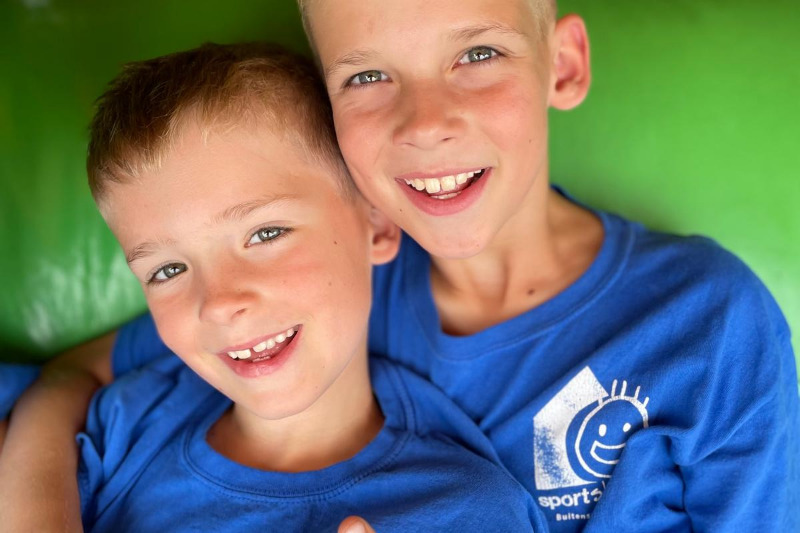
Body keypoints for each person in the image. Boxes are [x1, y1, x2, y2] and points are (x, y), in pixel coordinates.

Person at [4, 0, 799, 531]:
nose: (425, 123)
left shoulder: (707, 319)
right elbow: (78, 375)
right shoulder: (324, 292)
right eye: (368, 76)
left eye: (478, 53)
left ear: (561, 65)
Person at [0, 42, 546, 532]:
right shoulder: (121, 429)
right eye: (167, 270)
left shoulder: (470, 507)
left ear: (377, 223)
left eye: (265, 234)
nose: (219, 303)